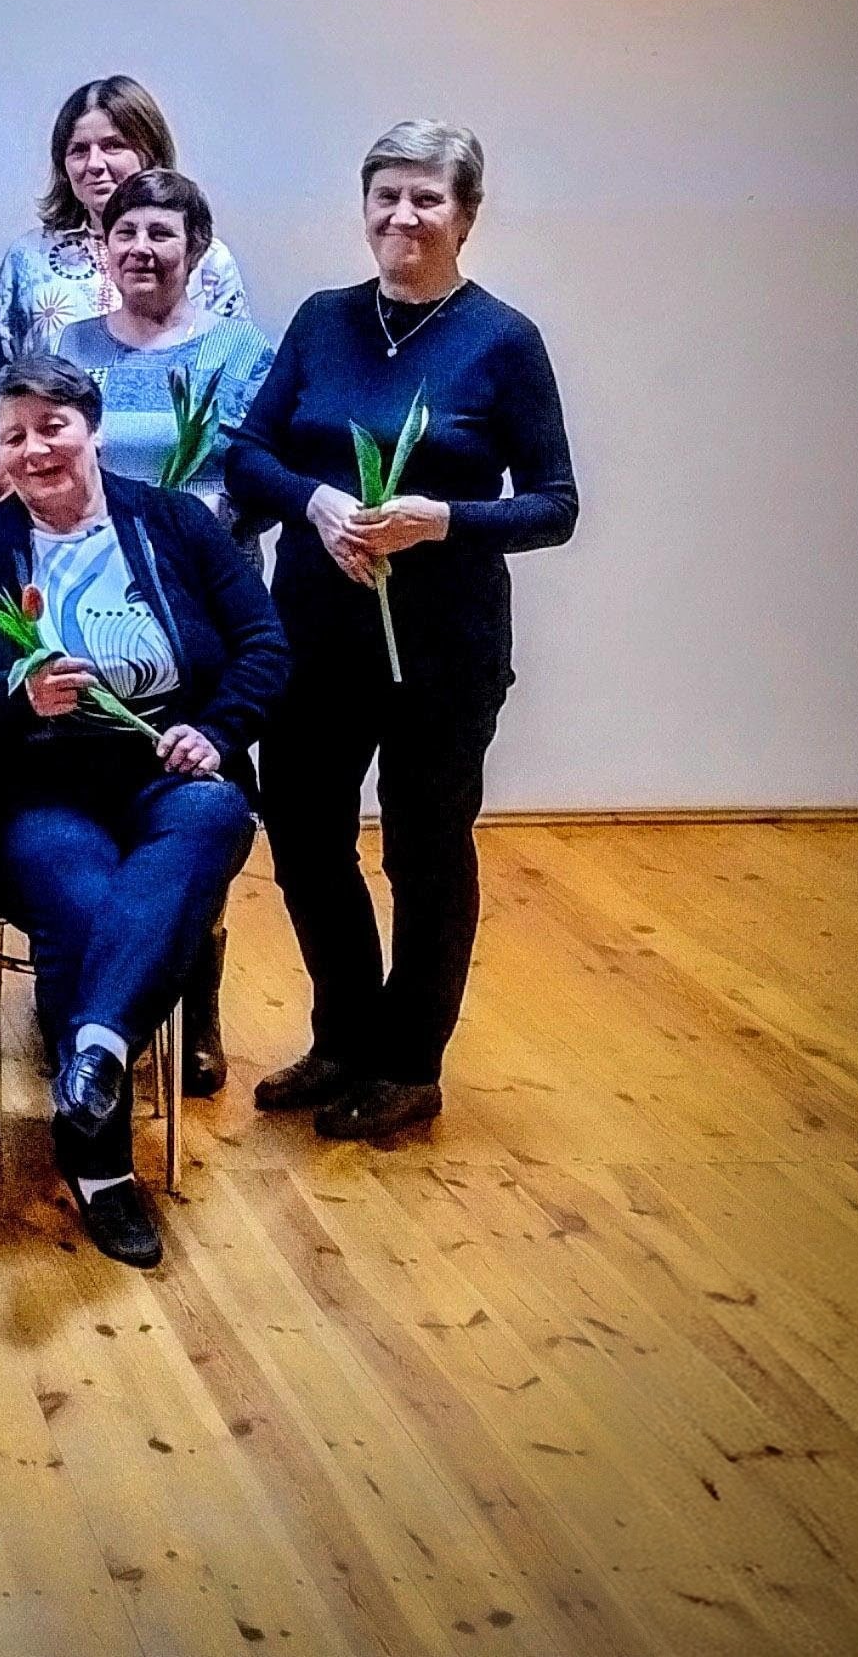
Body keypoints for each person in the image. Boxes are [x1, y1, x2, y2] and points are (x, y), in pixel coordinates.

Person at [228, 121, 577, 1142]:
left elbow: (555, 505)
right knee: (304, 835)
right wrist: (316, 502)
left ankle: (411, 1061)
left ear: (466, 215)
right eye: (387, 195)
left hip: (443, 648)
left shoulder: (503, 339)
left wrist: (444, 520)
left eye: (427, 197)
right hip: (314, 633)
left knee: (424, 850)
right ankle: (344, 1034)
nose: (403, 216)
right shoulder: (324, 319)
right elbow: (250, 456)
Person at [0, 355, 285, 1269]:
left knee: (213, 815)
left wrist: (216, 730)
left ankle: (92, 1051)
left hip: (167, 769)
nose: (35, 449)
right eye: (14, 436)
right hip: (42, 787)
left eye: (52, 426)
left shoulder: (176, 522)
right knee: (86, 910)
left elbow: (262, 643)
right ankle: (102, 1167)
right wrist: (17, 695)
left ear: (92, 428)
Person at [53, 170, 273, 515]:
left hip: (207, 544)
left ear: (195, 251)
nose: (140, 248)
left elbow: (272, 473)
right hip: (95, 545)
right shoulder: (71, 346)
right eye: (126, 233)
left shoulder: (239, 348)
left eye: (160, 234)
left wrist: (211, 516)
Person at [0, 75, 251, 359]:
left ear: (150, 153)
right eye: (79, 150)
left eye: (113, 145)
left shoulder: (207, 261)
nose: (94, 164)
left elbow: (236, 364)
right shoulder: (29, 259)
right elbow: (4, 370)